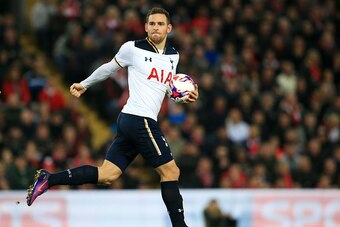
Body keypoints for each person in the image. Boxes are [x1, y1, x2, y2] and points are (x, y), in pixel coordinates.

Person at [26, 7, 198, 227]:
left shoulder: (174, 55)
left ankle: (49, 179)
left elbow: (166, 88)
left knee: (107, 174)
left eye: (160, 24)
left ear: (169, 28)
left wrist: (185, 96)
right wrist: (85, 84)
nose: (156, 28)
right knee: (171, 170)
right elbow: (109, 68)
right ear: (145, 27)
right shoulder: (132, 48)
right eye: (152, 24)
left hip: (130, 120)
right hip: (139, 118)